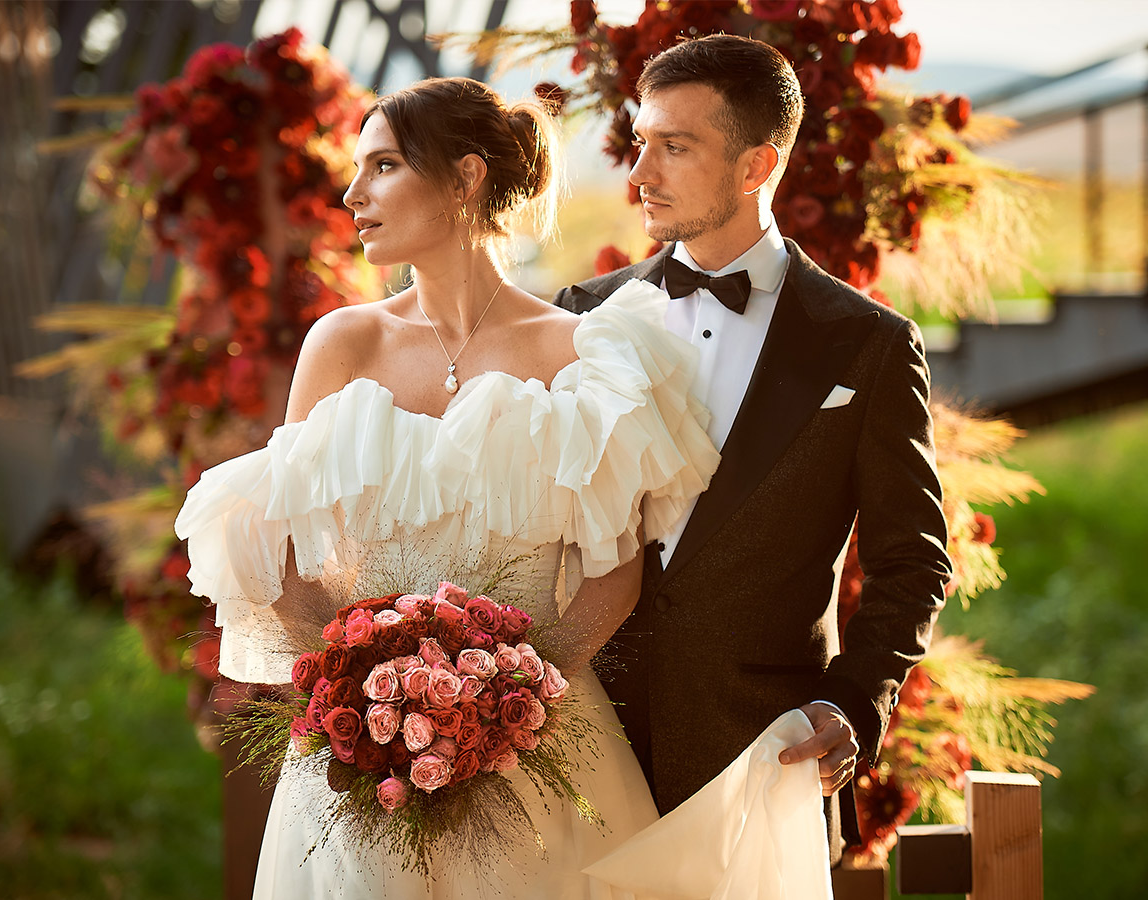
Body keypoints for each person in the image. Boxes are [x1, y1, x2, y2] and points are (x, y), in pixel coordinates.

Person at [175, 77, 719, 898]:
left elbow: (615, 573)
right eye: (358, 170)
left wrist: (506, 707)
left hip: (541, 752)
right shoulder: (340, 345)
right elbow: (279, 550)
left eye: (384, 165)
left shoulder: (583, 353)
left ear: (466, 178)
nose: (354, 194)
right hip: (366, 761)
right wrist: (359, 687)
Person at [554, 34, 953, 865]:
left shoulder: (865, 344)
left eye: (675, 146)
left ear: (754, 165)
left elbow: (912, 561)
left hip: (762, 763)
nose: (641, 174)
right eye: (639, 143)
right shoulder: (579, 317)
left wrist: (850, 704)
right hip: (582, 757)